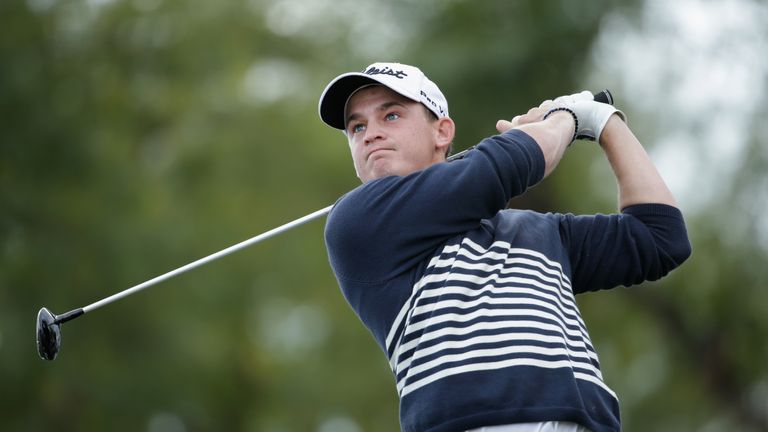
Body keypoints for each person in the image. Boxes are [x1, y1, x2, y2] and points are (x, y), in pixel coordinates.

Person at [317, 62, 691, 432]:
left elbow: (659, 237)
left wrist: (605, 122)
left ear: (442, 132)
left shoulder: (539, 231)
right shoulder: (357, 221)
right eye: (357, 127)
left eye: (392, 116)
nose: (370, 135)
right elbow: (510, 163)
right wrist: (565, 118)